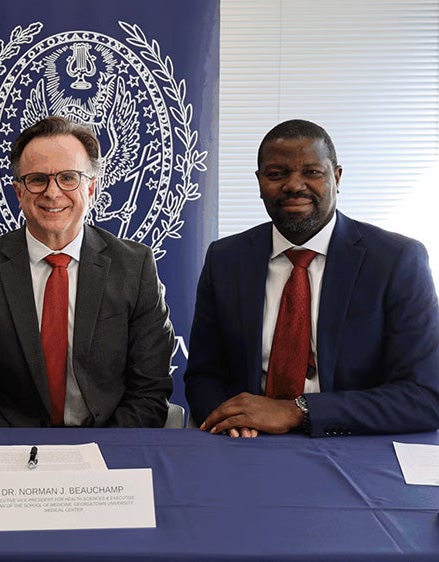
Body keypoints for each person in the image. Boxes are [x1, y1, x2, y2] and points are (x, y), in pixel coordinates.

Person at [185, 119, 439, 438]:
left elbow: (423, 396)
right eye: (276, 174)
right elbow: (203, 375)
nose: (294, 185)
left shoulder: (396, 260)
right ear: (260, 181)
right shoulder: (225, 258)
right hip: (248, 445)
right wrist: (234, 420)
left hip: (356, 445)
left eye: (312, 172)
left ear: (336, 177)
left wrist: (298, 412)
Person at [0, 116, 174, 427]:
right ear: (18, 192)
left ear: (91, 188)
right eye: (37, 179)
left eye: (68, 178)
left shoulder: (135, 268)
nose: (52, 193)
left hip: (109, 449)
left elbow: (149, 391)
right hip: (9, 450)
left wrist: (101, 456)